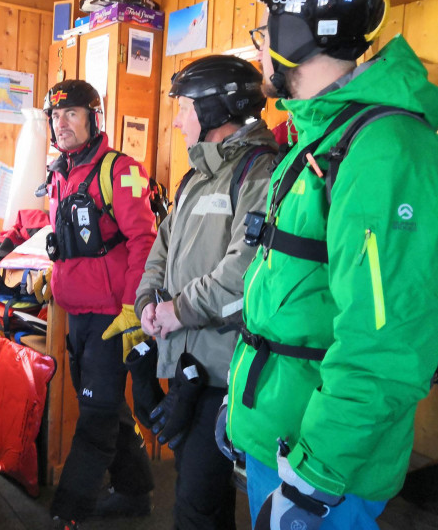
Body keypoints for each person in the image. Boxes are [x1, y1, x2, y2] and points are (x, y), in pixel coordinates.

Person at [224, 0, 438, 530]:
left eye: (265, 30)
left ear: (295, 34)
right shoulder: (320, 138)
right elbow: (288, 295)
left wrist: (315, 478)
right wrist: (243, 407)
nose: (258, 48)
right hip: (278, 438)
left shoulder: (387, 153)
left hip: (325, 471)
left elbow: (384, 345)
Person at [134, 55, 276, 530]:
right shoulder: (197, 174)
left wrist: (180, 310)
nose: (177, 119)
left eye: (185, 107)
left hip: (227, 371)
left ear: (216, 110)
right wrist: (150, 301)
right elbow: (163, 243)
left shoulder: (259, 172)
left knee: (198, 504)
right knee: (199, 500)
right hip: (187, 360)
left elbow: (247, 271)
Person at [43, 79, 156, 530]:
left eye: (71, 113)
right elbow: (61, 234)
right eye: (55, 116)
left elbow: (144, 241)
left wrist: (134, 307)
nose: (61, 123)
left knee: (95, 414)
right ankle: (134, 490)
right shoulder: (59, 172)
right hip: (76, 312)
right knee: (106, 406)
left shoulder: (120, 170)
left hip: (113, 317)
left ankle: (69, 510)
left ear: (94, 119)